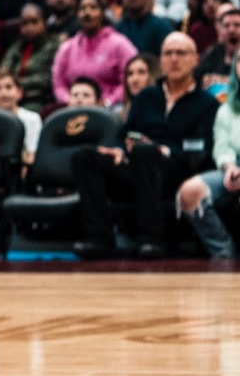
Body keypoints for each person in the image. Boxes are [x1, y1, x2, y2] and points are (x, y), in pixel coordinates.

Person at [71, 32, 217, 259]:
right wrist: (118, 149)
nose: (174, 59)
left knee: (145, 153)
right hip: (139, 163)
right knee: (85, 157)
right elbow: (125, 133)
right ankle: (99, 239)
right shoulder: (147, 97)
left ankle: (151, 239)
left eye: (181, 53)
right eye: (168, 53)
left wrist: (162, 149)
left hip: (178, 169)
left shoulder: (206, 103)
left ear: (195, 60)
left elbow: (201, 149)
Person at [177, 48, 240, 258]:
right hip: (233, 168)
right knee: (190, 191)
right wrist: (229, 166)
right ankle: (223, 252)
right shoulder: (227, 108)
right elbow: (222, 145)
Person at [51, 0, 138, 107]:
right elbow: (59, 85)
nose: (87, 13)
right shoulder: (67, 47)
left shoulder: (120, 44)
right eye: (82, 8)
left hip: (112, 107)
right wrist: (70, 100)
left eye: (93, 7)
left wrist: (107, 102)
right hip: (73, 107)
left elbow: (131, 80)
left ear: (102, 13)